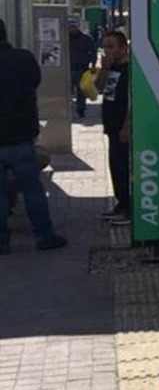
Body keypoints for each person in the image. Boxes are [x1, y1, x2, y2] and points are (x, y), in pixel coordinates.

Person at [0, 18, 69, 255]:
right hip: (21, 137)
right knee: (32, 189)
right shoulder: (24, 59)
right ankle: (44, 236)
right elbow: (35, 82)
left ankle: (2, 242)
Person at [95, 31, 131, 225]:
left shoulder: (129, 70)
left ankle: (128, 207)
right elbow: (99, 88)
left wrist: (127, 125)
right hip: (111, 124)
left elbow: (133, 101)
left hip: (121, 125)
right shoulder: (111, 67)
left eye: (111, 46)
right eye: (105, 46)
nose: (107, 50)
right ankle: (121, 203)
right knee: (115, 167)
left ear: (123, 48)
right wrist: (104, 68)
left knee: (123, 167)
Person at [67, 17, 96, 119]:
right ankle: (68, 110)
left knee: (82, 91)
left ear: (77, 27)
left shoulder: (86, 39)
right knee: (67, 91)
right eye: (69, 27)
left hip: (82, 69)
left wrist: (93, 65)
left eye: (73, 27)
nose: (71, 29)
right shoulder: (65, 39)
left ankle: (81, 109)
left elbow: (93, 52)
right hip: (68, 69)